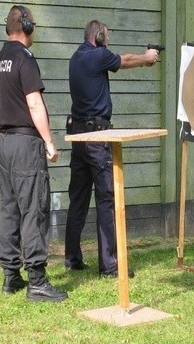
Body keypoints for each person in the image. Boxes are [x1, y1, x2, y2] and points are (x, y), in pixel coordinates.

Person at [65, 20, 159, 277]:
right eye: (106, 37)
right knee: (107, 198)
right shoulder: (98, 55)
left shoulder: (76, 57)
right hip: (96, 135)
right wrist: (148, 58)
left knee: (78, 198)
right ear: (97, 37)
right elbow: (125, 60)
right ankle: (109, 264)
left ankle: (72, 258)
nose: (108, 42)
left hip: (78, 134)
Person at [0, 5, 67, 302]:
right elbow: (35, 105)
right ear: (27, 26)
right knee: (34, 208)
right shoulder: (25, 60)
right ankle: (37, 281)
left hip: (4, 143)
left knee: (9, 209)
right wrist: (48, 142)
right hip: (24, 143)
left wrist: (4, 137)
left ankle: (11, 277)